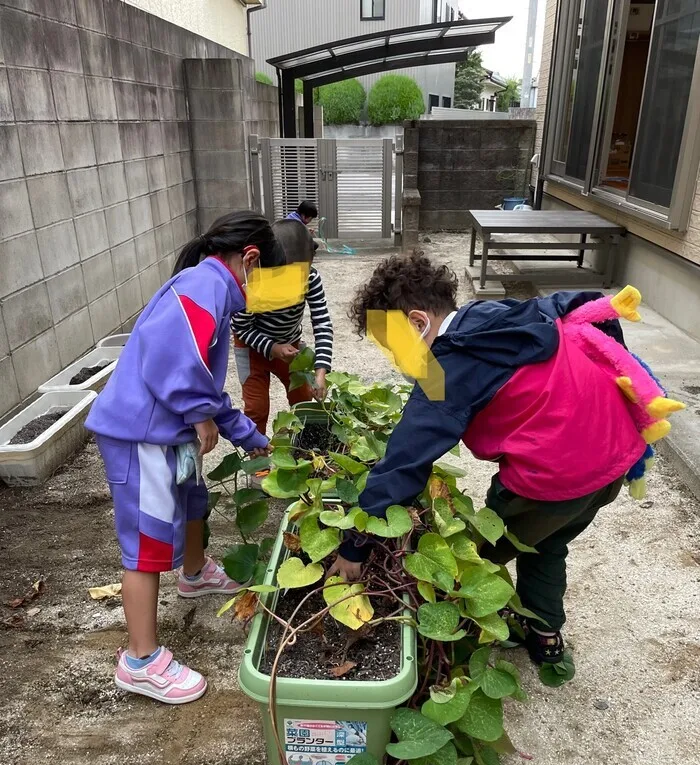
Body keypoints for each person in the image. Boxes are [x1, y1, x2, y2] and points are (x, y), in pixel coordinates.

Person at [329, 251, 649, 666]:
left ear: (417, 323)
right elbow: (585, 306)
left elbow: (405, 462)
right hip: (614, 459)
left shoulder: (447, 369)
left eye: (393, 346)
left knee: (473, 560)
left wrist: (355, 546)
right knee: (547, 542)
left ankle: (449, 645)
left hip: (552, 478)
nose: (396, 359)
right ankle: (545, 636)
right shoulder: (497, 315)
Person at [86, 211, 282, 704]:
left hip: (168, 431)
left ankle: (194, 574)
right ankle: (140, 660)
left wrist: (248, 435)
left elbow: (205, 388)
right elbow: (170, 359)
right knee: (147, 541)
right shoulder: (204, 286)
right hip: (142, 434)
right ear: (251, 260)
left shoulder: (211, 287)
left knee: (194, 500)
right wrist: (201, 415)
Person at [231, 218, 333, 436]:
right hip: (252, 348)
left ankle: (304, 449)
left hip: (291, 346)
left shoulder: (311, 279)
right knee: (256, 408)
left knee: (302, 399)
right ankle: (257, 462)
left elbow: (322, 323)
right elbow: (241, 327)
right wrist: (273, 348)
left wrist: (321, 371)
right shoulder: (253, 282)